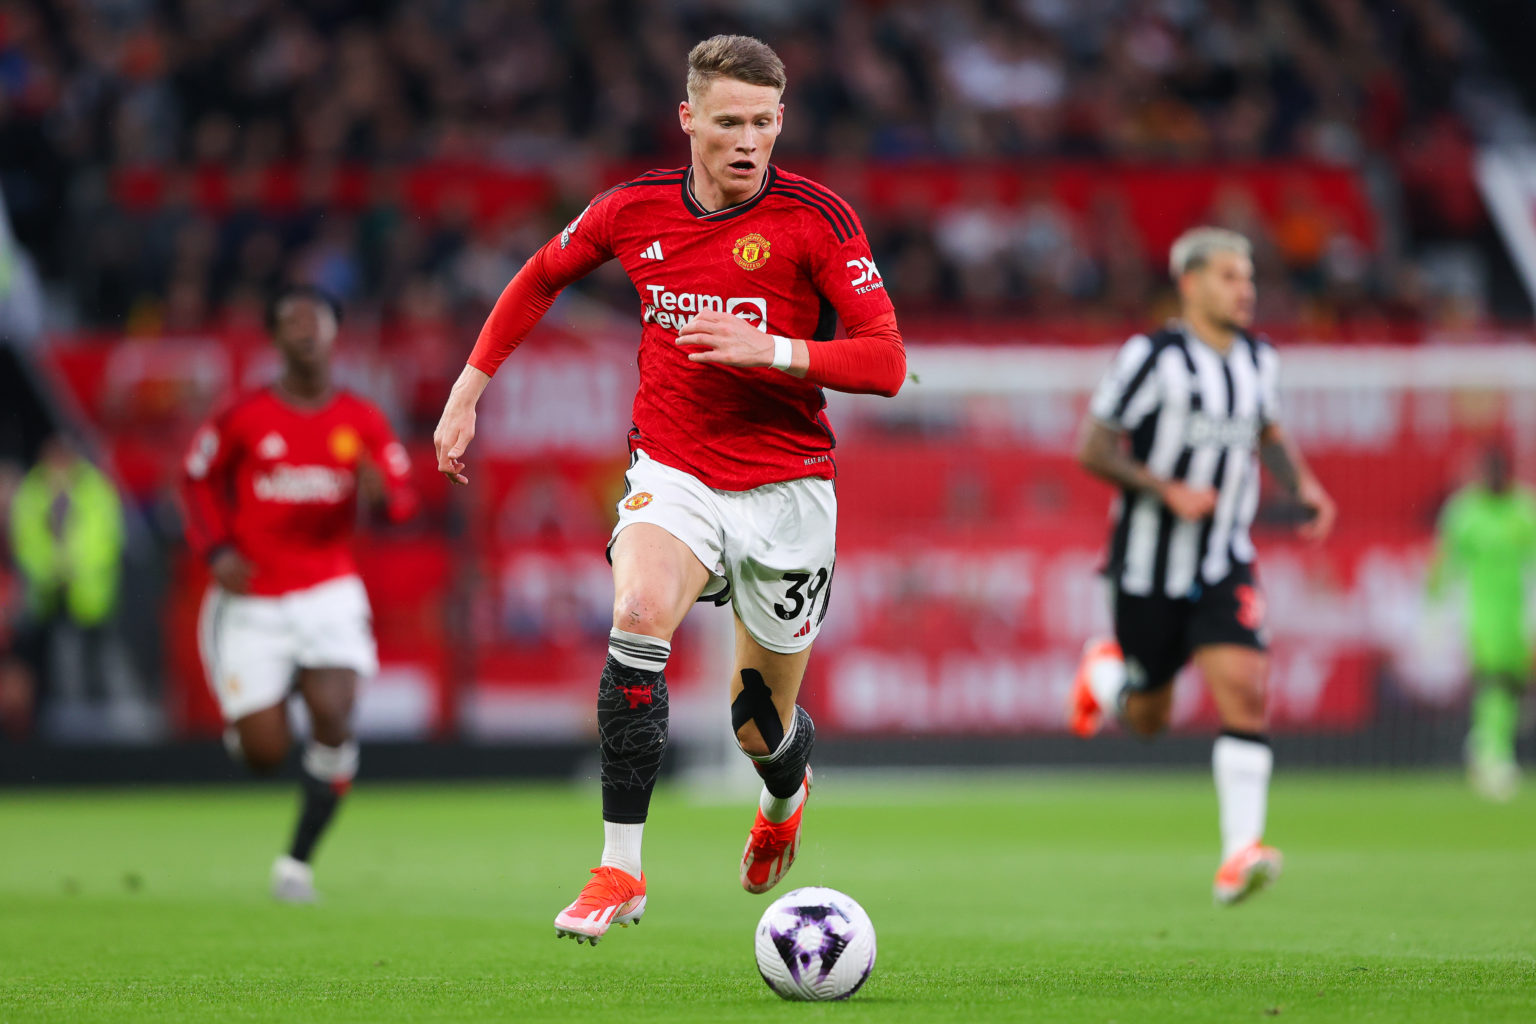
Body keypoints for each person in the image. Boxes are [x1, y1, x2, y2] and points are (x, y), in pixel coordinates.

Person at [433, 35, 905, 946]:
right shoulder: (631, 210)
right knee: (640, 614)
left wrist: (771, 350)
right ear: (688, 119)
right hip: (676, 467)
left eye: (763, 123)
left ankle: (783, 797)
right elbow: (541, 276)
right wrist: (468, 389)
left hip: (790, 488)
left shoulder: (819, 219)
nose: (747, 141)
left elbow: (887, 362)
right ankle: (621, 867)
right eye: (728, 122)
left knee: (758, 725)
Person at [1067, 227, 1336, 905]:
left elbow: (1267, 429)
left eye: (1247, 277)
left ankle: (1238, 852)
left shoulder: (1259, 359)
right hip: (1148, 566)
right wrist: (1166, 489)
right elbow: (1093, 448)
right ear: (1188, 283)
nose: (1244, 289)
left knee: (1245, 688)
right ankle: (1106, 674)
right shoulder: (1150, 357)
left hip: (1224, 559)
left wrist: (1301, 484)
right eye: (1227, 276)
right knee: (1150, 718)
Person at [179, 285, 417, 902]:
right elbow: (196, 479)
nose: (304, 328)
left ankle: (297, 864)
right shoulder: (244, 415)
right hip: (254, 596)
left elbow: (401, 498)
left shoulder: (362, 418)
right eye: (290, 319)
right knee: (264, 753)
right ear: (276, 337)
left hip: (328, 589)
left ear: (337, 331)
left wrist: (381, 499)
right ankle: (257, 712)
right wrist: (216, 549)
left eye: (315, 317)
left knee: (335, 717)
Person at [1427, 444, 1536, 801]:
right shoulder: (1464, 512)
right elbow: (1444, 560)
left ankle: (1483, 745)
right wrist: (1435, 610)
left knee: (1511, 683)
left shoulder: (1524, 509)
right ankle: (1493, 754)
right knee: (1493, 681)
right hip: (1476, 611)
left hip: (1517, 613)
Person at [9, 434, 124, 728]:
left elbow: (106, 538)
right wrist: (52, 570)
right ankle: (71, 722)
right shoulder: (33, 492)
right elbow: (25, 541)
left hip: (90, 592)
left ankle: (115, 719)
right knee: (63, 659)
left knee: (105, 659)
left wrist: (76, 567)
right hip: (51, 593)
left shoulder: (94, 488)